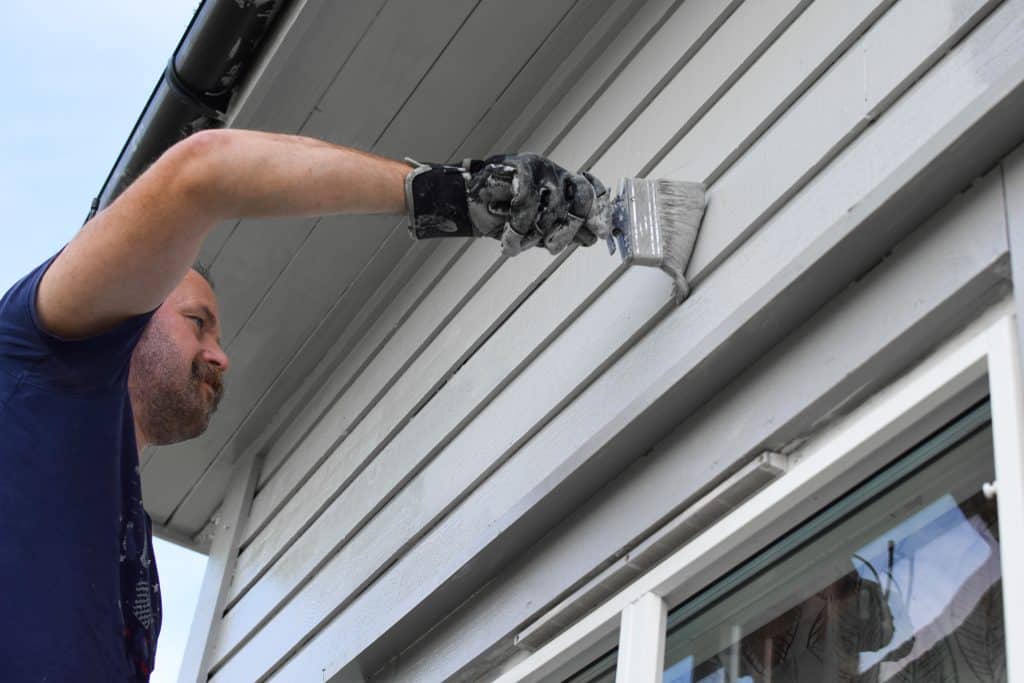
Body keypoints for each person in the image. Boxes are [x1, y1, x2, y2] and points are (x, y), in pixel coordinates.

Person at [0, 129, 608, 682]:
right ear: (131, 314)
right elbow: (201, 172)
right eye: (198, 323)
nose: (221, 356)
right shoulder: (41, 363)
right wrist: (457, 194)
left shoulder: (125, 553)